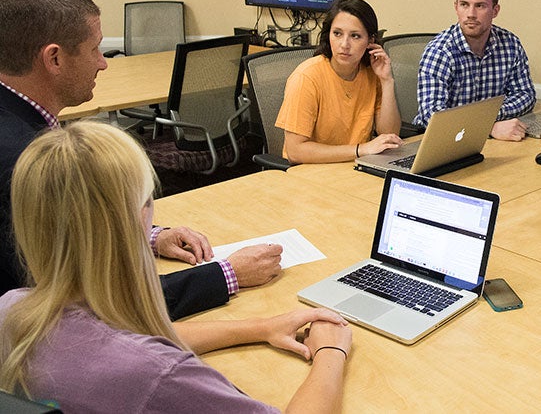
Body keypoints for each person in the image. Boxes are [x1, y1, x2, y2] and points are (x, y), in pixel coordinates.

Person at [0, 120, 352, 412]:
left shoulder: (12, 308)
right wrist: (330, 352)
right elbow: (138, 357)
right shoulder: (157, 377)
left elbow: (119, 338)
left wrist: (261, 327)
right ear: (139, 216)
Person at [0, 0, 280, 320]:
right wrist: (227, 274)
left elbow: (76, 230)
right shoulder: (22, 161)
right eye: (95, 50)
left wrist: (152, 236)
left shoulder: (20, 123)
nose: (102, 64)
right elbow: (91, 305)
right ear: (54, 58)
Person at [275, 0, 402, 164]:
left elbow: (390, 135)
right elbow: (295, 151)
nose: (344, 44)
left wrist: (387, 81)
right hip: (312, 171)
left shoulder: (372, 74)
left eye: (355, 36)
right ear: (328, 35)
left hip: (355, 166)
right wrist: (360, 149)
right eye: (337, 33)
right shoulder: (306, 77)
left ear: (370, 41)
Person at [414, 0, 536, 141]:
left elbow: (525, 95)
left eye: (480, 6)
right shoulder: (440, 52)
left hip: (489, 141)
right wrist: (487, 126)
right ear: (456, 7)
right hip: (438, 141)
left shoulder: (510, 44)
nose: (471, 14)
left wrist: (488, 118)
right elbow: (434, 117)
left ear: (495, 11)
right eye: (464, 5)